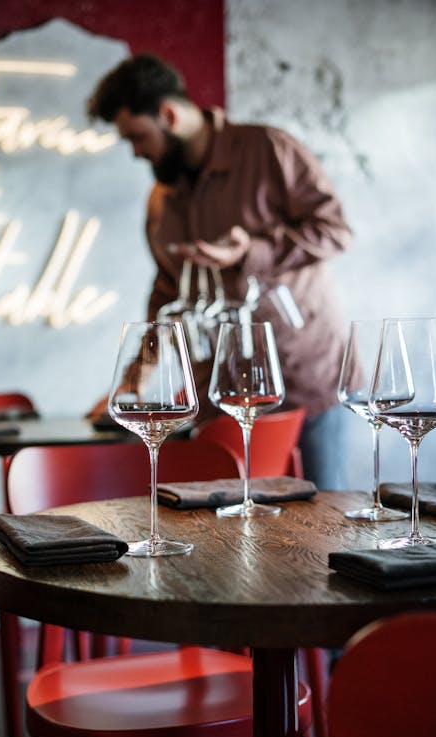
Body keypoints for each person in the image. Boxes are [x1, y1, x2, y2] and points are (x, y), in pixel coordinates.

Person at [87, 53, 354, 490]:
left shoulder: (269, 149)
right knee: (229, 531)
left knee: (323, 523)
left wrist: (253, 253)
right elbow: (165, 292)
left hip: (303, 377)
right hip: (219, 393)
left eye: (137, 137)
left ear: (168, 114)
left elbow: (336, 231)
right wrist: (134, 381)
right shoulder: (161, 199)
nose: (136, 153)